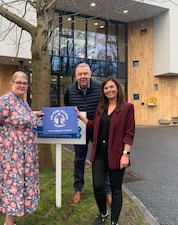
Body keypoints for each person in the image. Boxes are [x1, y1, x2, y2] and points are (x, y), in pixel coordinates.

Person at [0, 71, 44, 225]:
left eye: (25, 83)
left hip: (21, 158)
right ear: (12, 84)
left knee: (13, 189)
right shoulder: (4, 101)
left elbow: (20, 117)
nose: (22, 85)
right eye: (19, 82)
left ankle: (9, 222)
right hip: (6, 158)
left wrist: (33, 114)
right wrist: (0, 140)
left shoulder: (22, 102)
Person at [77, 77, 135, 225]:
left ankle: (114, 221)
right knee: (98, 186)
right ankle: (103, 212)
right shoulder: (101, 107)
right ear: (103, 91)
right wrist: (81, 118)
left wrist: (125, 154)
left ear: (117, 88)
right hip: (99, 154)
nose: (109, 90)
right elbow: (94, 125)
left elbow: (129, 133)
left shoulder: (127, 107)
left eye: (111, 87)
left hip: (117, 154)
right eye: (106, 88)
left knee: (116, 189)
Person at [64, 62, 112, 206]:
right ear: (76, 76)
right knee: (79, 159)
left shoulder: (100, 87)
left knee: (103, 159)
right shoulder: (70, 90)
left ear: (90, 74)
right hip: (80, 129)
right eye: (80, 74)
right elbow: (67, 106)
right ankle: (78, 189)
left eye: (85, 73)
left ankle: (107, 190)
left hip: (98, 128)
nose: (83, 76)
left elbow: (109, 105)